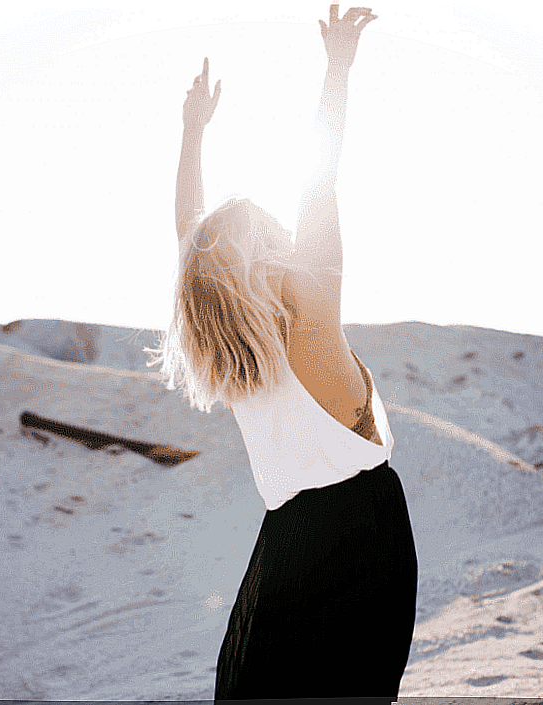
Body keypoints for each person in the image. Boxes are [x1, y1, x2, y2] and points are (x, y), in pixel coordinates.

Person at [147, 5, 418, 700]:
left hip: (285, 543)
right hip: (361, 536)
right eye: (272, 233)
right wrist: (337, 69)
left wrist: (191, 132)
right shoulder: (309, 329)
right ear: (264, 256)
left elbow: (189, 233)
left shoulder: (238, 362)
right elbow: (317, 186)